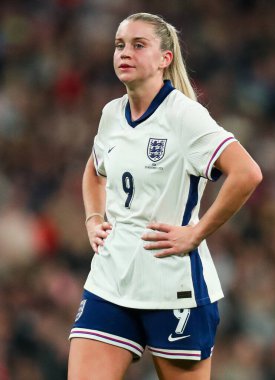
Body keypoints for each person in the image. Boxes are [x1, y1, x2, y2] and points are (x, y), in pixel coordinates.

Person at [68, 12, 262, 380]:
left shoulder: (186, 117)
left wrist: (197, 231)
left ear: (164, 59)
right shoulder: (111, 113)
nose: (125, 52)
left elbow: (247, 173)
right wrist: (93, 219)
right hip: (111, 280)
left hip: (172, 288)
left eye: (138, 45)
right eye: (120, 45)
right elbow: (94, 171)